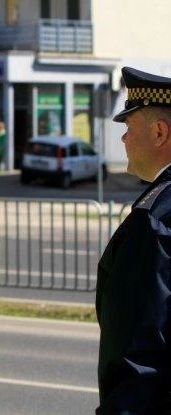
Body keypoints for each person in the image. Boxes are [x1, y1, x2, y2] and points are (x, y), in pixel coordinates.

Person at [96, 67, 171, 414]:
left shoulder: (154, 218)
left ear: (159, 132)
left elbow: (139, 356)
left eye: (128, 127)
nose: (123, 140)